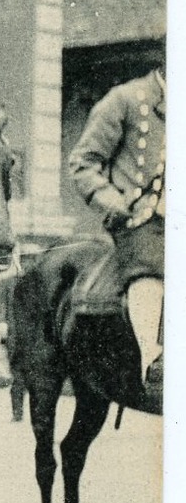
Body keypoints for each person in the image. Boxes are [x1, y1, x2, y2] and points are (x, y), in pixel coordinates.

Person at [69, 65, 165, 395]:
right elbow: (83, 164)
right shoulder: (125, 100)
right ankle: (154, 361)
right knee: (148, 270)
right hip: (140, 222)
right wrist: (116, 203)